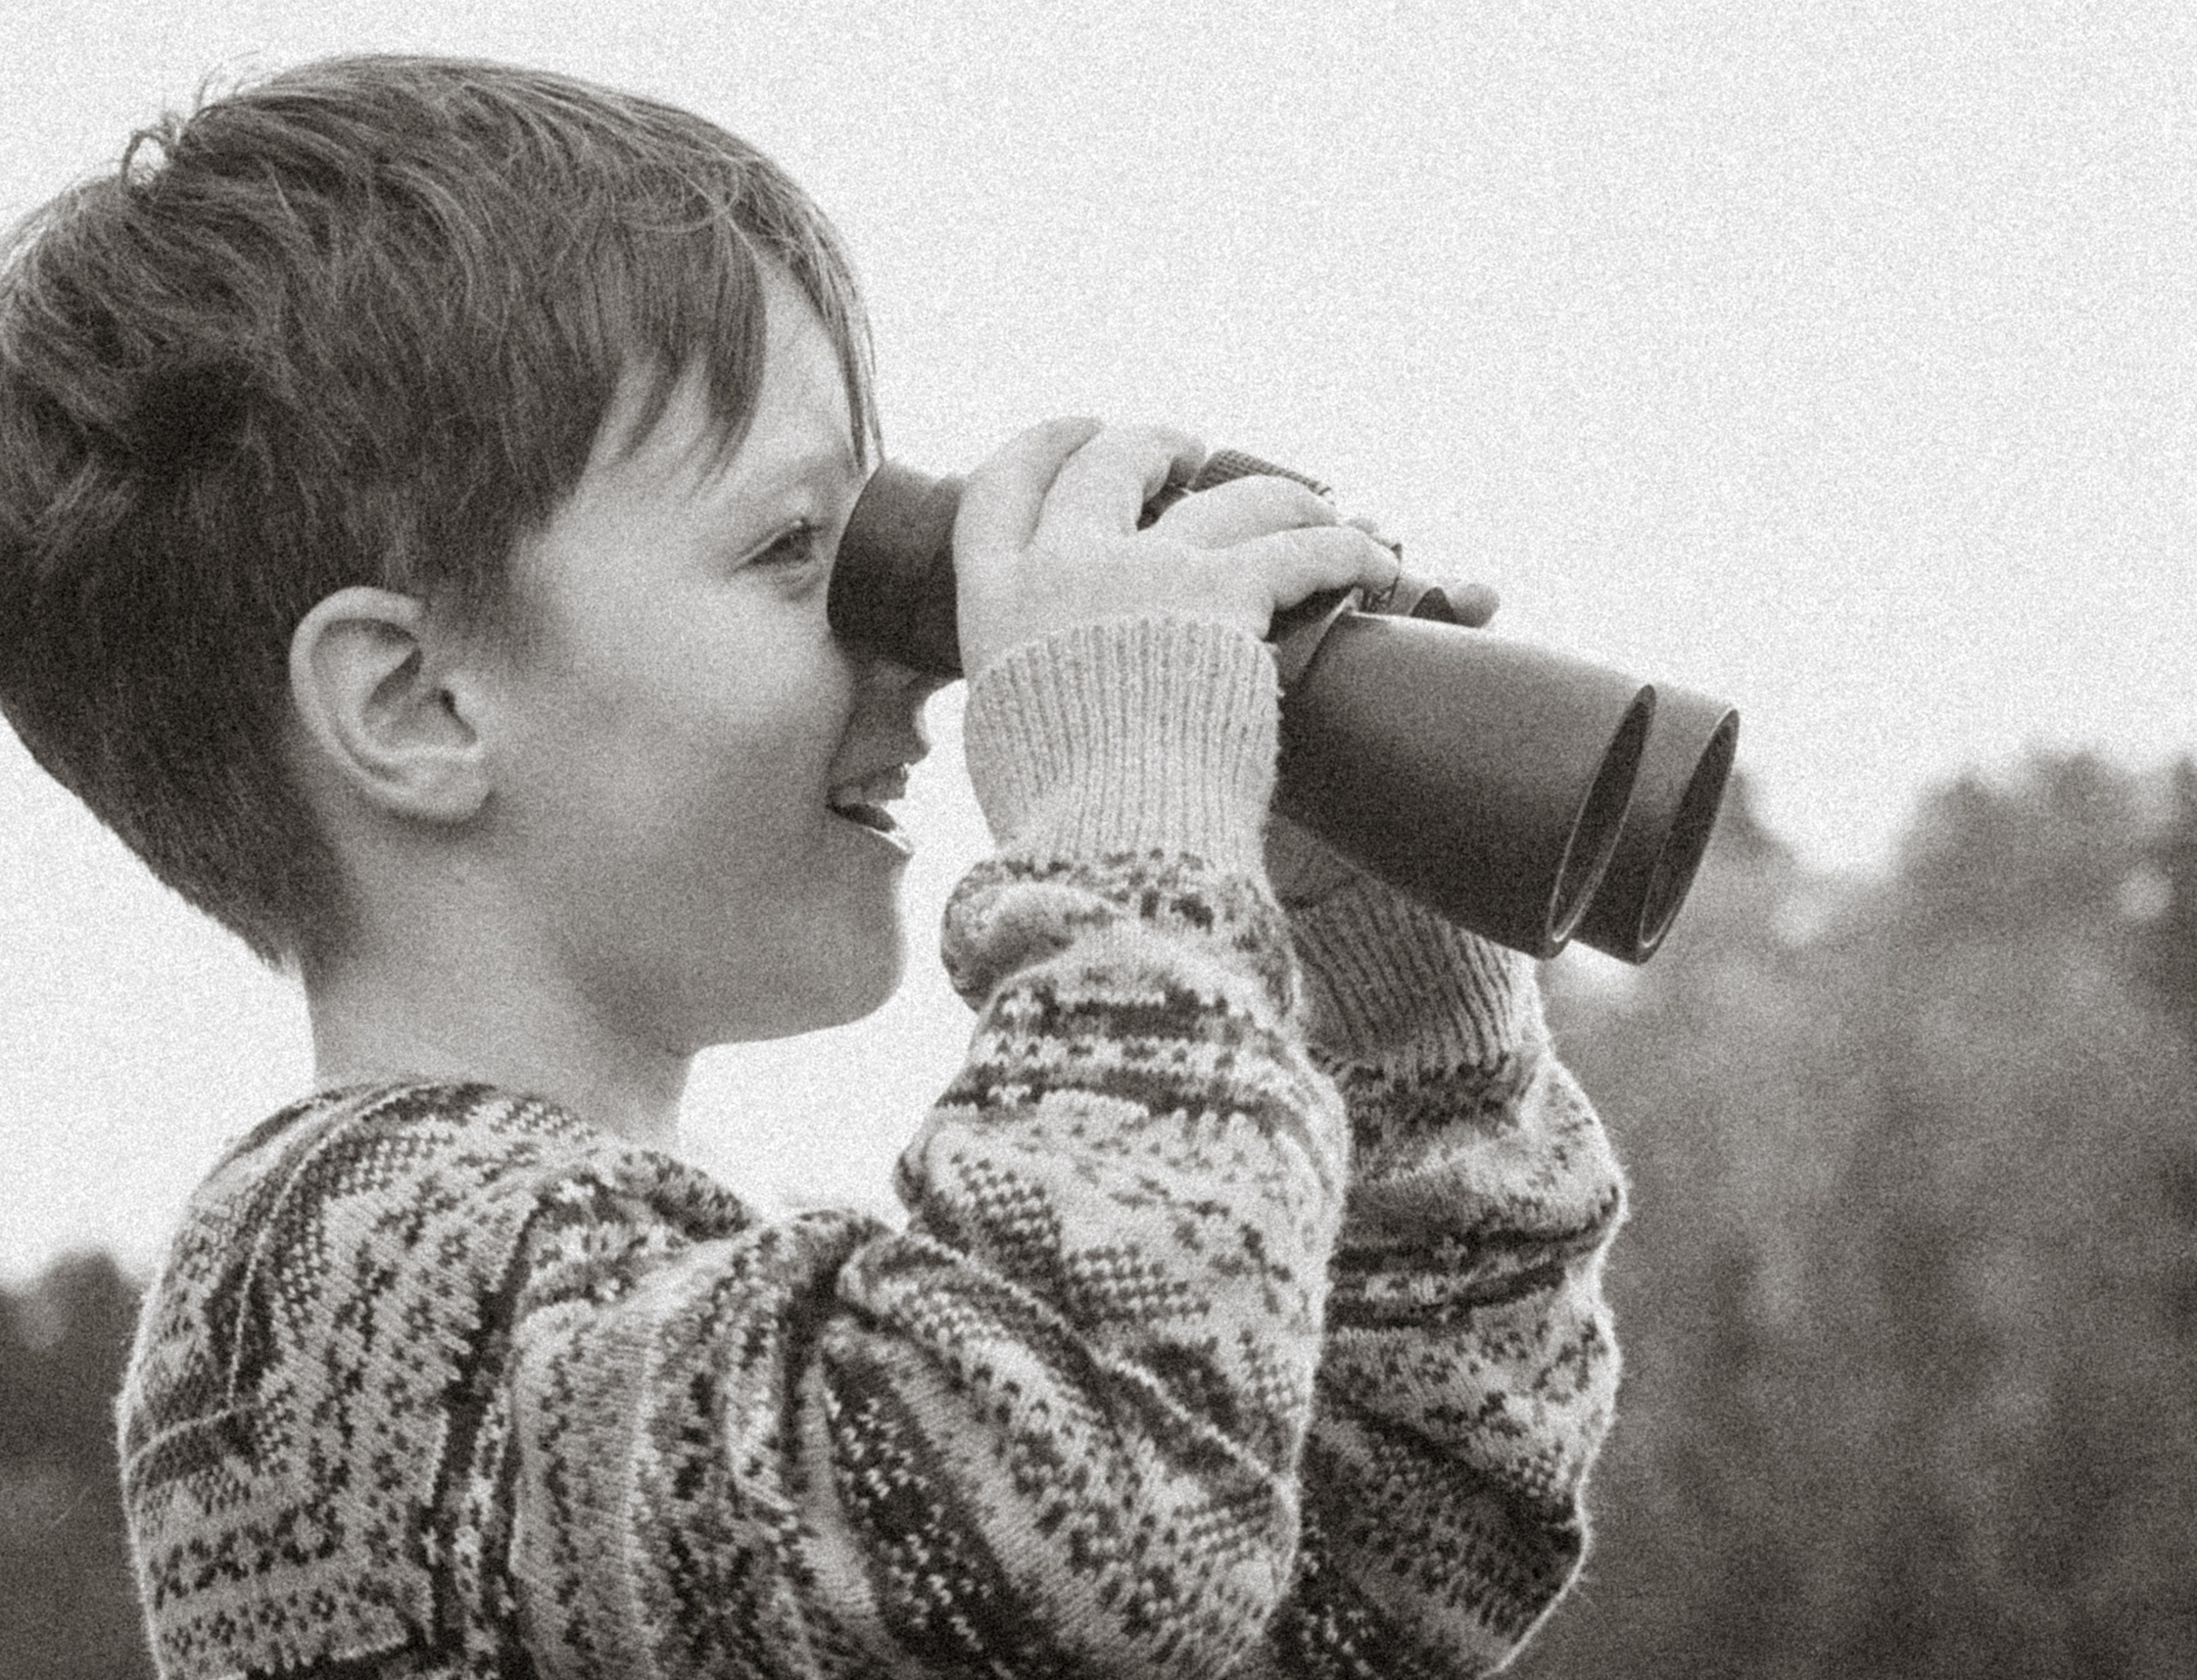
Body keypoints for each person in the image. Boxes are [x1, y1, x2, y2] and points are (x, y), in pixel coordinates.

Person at [0, 53, 1625, 1680]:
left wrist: (1384, 977)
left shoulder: (674, 1326)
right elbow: (1060, 1538)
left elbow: (1393, 1567)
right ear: (417, 705)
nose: (916, 664)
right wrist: (1134, 813)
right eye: (797, 553)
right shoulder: (324, 1313)